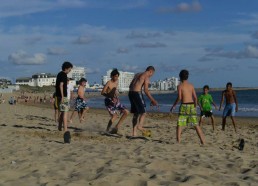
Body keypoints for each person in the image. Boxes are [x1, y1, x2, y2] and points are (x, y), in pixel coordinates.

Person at [170, 69, 205, 144]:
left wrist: (174, 105)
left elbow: (179, 98)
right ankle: (202, 141)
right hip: (191, 105)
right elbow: (195, 98)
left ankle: (178, 141)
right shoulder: (191, 85)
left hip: (184, 105)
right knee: (195, 125)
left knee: (180, 124)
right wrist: (195, 107)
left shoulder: (180, 86)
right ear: (187, 77)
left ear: (180, 77)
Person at [128, 66, 158, 136]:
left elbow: (130, 85)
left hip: (130, 93)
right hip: (137, 93)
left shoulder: (137, 74)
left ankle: (134, 133)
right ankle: (140, 126)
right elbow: (146, 91)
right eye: (152, 74)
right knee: (143, 112)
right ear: (151, 71)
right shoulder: (146, 76)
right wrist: (153, 100)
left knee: (136, 113)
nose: (151, 76)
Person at [101, 69, 129, 134]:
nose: (116, 78)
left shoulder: (116, 82)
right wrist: (110, 97)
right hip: (109, 101)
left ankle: (116, 127)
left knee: (126, 112)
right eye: (115, 76)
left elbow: (114, 91)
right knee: (114, 116)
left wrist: (116, 97)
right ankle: (107, 130)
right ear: (112, 76)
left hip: (116, 101)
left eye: (117, 76)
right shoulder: (109, 83)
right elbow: (102, 92)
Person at [55, 61, 73, 131]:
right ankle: (65, 129)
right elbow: (61, 85)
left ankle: (59, 128)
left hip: (58, 96)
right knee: (65, 113)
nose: (70, 71)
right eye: (69, 69)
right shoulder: (64, 75)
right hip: (63, 96)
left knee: (62, 112)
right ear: (66, 68)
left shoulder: (59, 74)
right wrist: (63, 96)